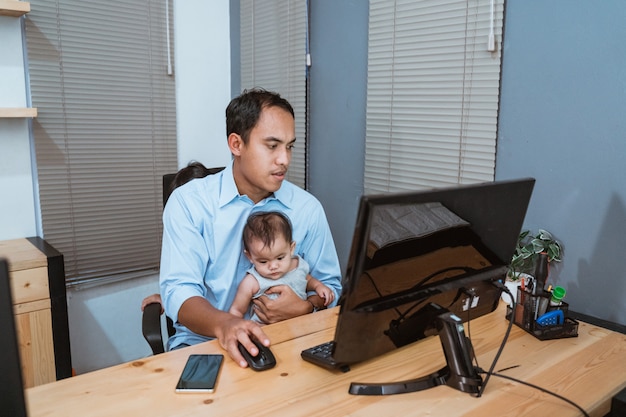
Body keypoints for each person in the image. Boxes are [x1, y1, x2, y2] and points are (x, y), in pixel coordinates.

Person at [159, 88, 342, 368]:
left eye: (289, 146)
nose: (285, 159)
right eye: (272, 146)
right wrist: (226, 324)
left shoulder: (308, 208)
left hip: (288, 342)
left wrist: (308, 306)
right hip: (206, 343)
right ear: (236, 144)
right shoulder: (189, 203)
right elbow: (179, 292)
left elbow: (330, 287)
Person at [229, 211, 335, 322]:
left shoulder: (298, 265)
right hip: (264, 332)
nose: (273, 266)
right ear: (250, 256)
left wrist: (318, 286)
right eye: (263, 262)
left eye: (280, 258)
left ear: (291, 248)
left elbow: (308, 280)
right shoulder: (252, 282)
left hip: (300, 327)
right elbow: (237, 310)